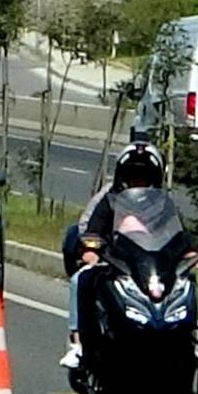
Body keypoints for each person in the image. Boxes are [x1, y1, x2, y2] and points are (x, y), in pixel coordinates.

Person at [59, 142, 165, 368]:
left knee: (185, 284)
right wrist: (91, 250)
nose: (139, 182)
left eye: (144, 177)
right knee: (82, 279)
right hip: (114, 265)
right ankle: (78, 345)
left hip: (150, 269)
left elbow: (177, 236)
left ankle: (184, 345)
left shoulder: (162, 204)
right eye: (134, 176)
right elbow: (92, 230)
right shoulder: (109, 200)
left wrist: (191, 253)